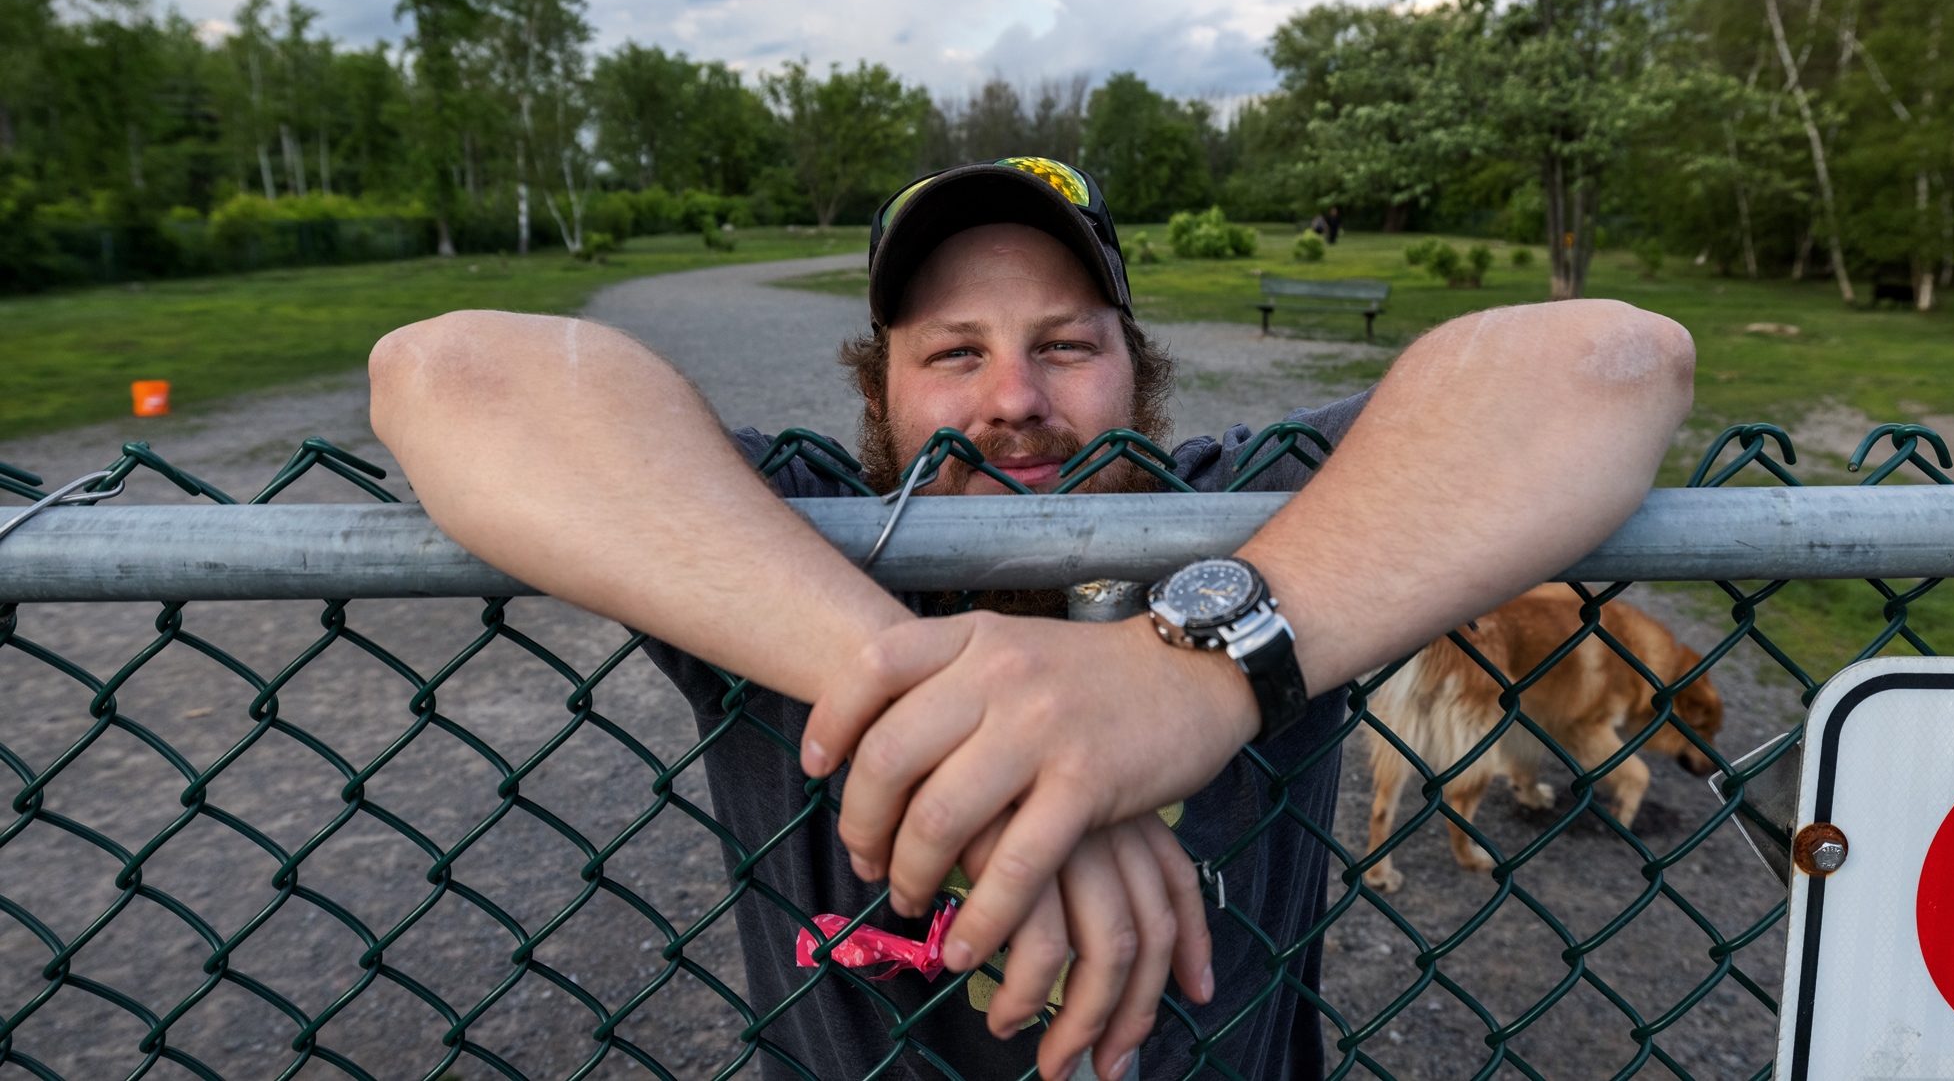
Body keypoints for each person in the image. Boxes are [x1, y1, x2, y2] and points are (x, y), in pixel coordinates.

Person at [368, 157, 1693, 1081]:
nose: (1014, 395)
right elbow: (448, 374)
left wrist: (1189, 673)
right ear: (880, 395)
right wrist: (922, 696)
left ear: (1138, 368)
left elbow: (1611, 361)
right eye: (952, 351)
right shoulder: (792, 534)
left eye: (1066, 341)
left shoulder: (1237, 519)